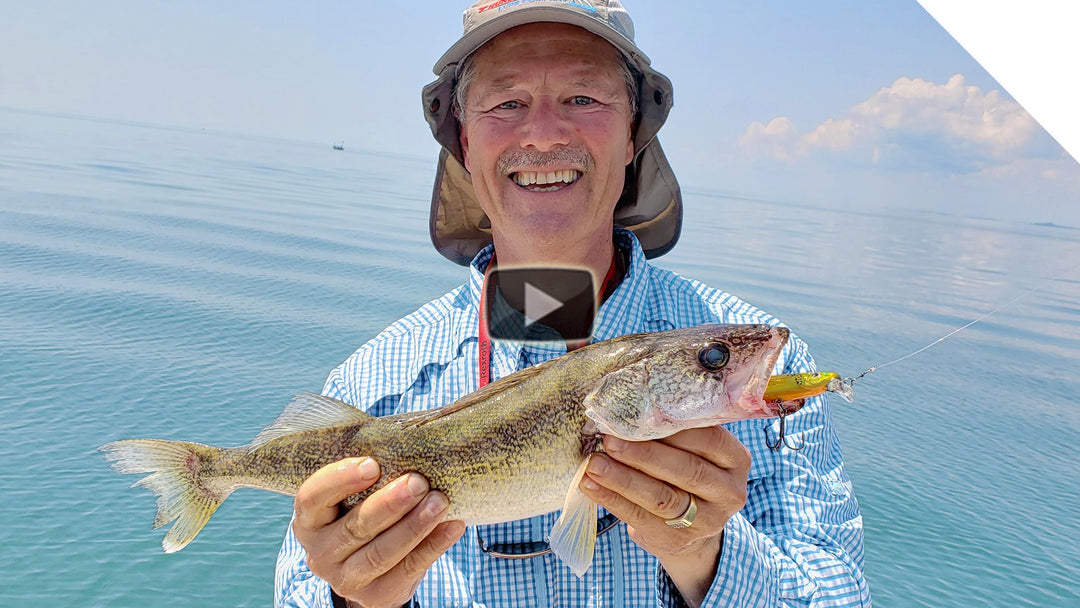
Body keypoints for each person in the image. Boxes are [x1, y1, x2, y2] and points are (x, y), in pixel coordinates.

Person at [275, 1, 870, 606]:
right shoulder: (367, 388)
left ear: (636, 133)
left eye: (584, 98)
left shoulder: (764, 377)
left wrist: (707, 555)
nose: (544, 134)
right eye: (507, 103)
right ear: (463, 141)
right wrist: (350, 596)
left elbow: (841, 594)